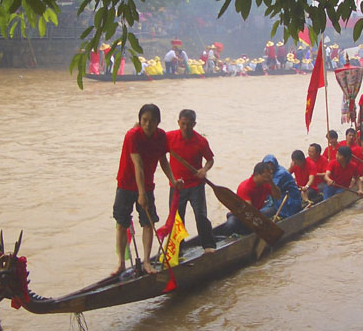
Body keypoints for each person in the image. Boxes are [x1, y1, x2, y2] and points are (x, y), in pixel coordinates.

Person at [113, 104, 179, 275]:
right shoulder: (132, 136)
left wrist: (172, 180)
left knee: (148, 223)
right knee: (121, 223)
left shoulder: (161, 136)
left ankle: (147, 262)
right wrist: (141, 194)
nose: (148, 124)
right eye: (144, 120)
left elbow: (163, 160)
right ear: (140, 120)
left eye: (152, 121)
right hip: (126, 184)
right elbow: (138, 165)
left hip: (147, 185)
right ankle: (121, 263)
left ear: (158, 122)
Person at [166, 109, 216, 254]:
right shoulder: (170, 137)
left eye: (189, 124)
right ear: (178, 123)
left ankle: (208, 245)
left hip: (196, 186)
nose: (185, 128)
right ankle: (177, 249)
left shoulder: (201, 141)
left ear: (194, 124)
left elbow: (210, 160)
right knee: (177, 219)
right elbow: (154, 137)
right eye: (183, 124)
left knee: (200, 216)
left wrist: (204, 170)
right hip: (177, 186)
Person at [218, 162, 281, 236]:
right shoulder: (245, 187)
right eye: (265, 176)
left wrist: (271, 183)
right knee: (230, 225)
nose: (267, 179)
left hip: (255, 214)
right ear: (257, 174)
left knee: (273, 210)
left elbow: (278, 196)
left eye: (270, 176)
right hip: (240, 216)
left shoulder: (266, 184)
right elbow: (248, 211)